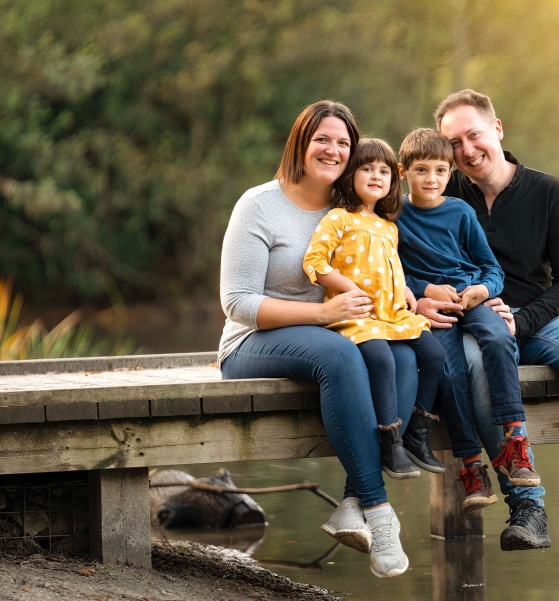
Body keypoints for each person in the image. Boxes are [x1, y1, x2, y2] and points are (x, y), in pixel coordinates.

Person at [417, 89, 559, 555]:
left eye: (473, 135)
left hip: (539, 318)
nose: (465, 151)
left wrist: (521, 320)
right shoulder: (442, 191)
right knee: (478, 369)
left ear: (497, 129)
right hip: (473, 325)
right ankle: (527, 508)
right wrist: (422, 296)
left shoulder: (549, 193)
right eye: (453, 143)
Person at [218, 101, 411, 579]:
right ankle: (381, 515)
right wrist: (323, 312)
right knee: (342, 355)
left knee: (404, 355)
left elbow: (385, 270)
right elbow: (237, 302)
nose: (333, 150)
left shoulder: (351, 210)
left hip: (336, 335)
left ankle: (351, 502)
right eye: (323, 139)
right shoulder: (259, 204)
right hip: (252, 342)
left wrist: (418, 296)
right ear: (300, 143)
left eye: (344, 142)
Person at [395, 128, 540, 514]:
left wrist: (482, 289)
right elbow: (391, 275)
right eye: (421, 170)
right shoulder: (394, 217)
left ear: (450, 173)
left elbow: (491, 267)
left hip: (471, 296)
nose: (431, 179)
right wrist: (424, 290)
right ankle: (471, 466)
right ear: (402, 171)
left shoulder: (460, 211)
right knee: (447, 368)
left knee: (497, 338)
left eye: (441, 171)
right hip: (434, 308)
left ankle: (516, 442)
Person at [303, 138, 446, 480]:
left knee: (435, 355)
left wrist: (409, 295)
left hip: (393, 314)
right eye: (366, 168)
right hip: (359, 315)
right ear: (350, 174)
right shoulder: (339, 219)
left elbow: (391, 269)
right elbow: (314, 261)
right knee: (381, 358)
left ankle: (417, 433)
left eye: (384, 171)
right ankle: (389, 440)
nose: (376, 176)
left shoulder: (389, 227)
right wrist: (348, 288)